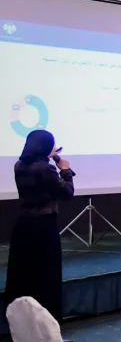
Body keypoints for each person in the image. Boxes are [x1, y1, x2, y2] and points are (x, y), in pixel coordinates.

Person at [4, 130, 75, 330]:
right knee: (47, 278)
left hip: (23, 226)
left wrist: (51, 157)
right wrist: (65, 170)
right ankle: (48, 329)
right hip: (43, 227)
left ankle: (20, 328)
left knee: (23, 276)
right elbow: (67, 192)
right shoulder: (45, 168)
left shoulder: (19, 165)